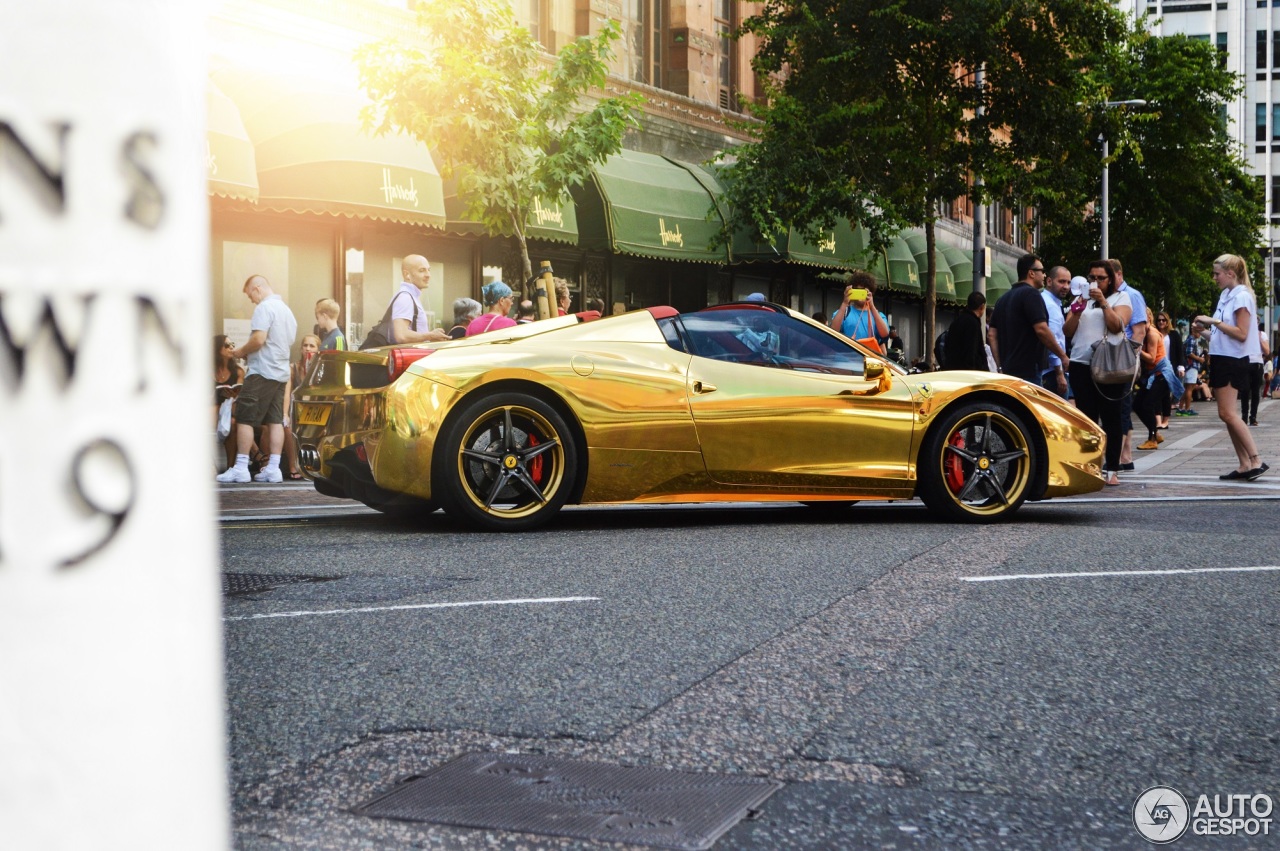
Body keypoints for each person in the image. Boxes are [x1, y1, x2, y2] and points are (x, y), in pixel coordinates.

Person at [217, 274, 298, 484]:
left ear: (257, 288)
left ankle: (241, 468)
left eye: (250, 295)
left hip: (262, 371)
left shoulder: (264, 308)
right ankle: (273, 469)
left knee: (244, 417)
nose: (251, 300)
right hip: (280, 373)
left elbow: (259, 339)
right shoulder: (288, 312)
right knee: (275, 420)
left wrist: (240, 352)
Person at [1195, 254, 1267, 480]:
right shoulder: (1226, 295)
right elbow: (1221, 335)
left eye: (1217, 274)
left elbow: (1242, 334)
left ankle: (1255, 460)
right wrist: (1204, 331)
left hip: (1233, 360)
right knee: (1225, 414)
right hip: (1221, 356)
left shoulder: (1241, 297)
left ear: (1230, 274)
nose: (1214, 277)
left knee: (1228, 413)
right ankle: (1245, 463)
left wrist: (1214, 322)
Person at [1063, 260, 1132, 486]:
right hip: (1081, 363)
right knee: (1086, 419)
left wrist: (1103, 303)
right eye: (1091, 277)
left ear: (1110, 279)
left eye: (1100, 278)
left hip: (1107, 365)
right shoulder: (1080, 300)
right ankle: (1090, 466)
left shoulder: (1120, 298)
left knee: (1111, 416)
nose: (1095, 282)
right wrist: (1077, 310)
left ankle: (1111, 468)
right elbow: (1067, 331)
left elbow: (1117, 326)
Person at [989, 253, 1068, 384]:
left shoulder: (1002, 299)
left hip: (1008, 372)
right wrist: (1063, 356)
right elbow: (1041, 329)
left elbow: (992, 335)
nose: (1044, 275)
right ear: (1031, 273)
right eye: (1042, 271)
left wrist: (1000, 366)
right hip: (1029, 370)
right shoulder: (1032, 294)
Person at [1109, 258, 1147, 472]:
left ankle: (1121, 455)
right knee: (1122, 406)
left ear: (1118, 274)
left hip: (1124, 358)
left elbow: (1139, 330)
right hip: (1116, 358)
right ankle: (1126, 456)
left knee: (1121, 406)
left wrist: (1132, 356)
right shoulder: (1113, 296)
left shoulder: (1131, 295)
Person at [391, 254, 450, 344]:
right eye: (422, 270)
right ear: (407, 274)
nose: (428, 275)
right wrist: (430, 335)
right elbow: (401, 335)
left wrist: (429, 336)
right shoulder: (405, 298)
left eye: (428, 270)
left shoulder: (410, 296)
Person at [829, 271, 888, 346]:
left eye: (864, 291)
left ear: (871, 293)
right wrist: (844, 303)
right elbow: (833, 330)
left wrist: (872, 306)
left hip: (869, 356)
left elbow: (885, 334)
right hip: (848, 356)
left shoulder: (878, 315)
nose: (861, 294)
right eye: (857, 290)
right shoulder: (844, 312)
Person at [214, 334, 245, 471]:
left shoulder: (238, 371)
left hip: (230, 409)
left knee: (233, 422)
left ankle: (230, 467)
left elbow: (239, 392)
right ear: (217, 349)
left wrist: (233, 394)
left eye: (232, 345)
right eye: (227, 345)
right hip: (211, 409)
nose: (231, 348)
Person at [1039, 265, 1071, 396]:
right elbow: (1052, 338)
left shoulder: (1052, 302)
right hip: (1051, 372)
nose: (1066, 286)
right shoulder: (1050, 305)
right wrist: (1059, 373)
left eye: (1068, 282)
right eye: (1061, 281)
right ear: (1049, 281)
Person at [941, 291, 988, 371]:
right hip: (968, 373)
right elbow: (971, 351)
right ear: (982, 307)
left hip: (953, 369)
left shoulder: (957, 321)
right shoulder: (973, 323)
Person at [1242, 321, 1270, 426]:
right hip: (1245, 363)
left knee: (1255, 392)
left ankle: (1253, 417)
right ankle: (1244, 416)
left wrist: (1258, 338)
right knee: (1244, 390)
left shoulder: (1262, 334)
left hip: (1257, 364)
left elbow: (1267, 351)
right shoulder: (1243, 333)